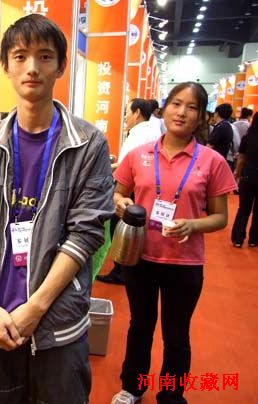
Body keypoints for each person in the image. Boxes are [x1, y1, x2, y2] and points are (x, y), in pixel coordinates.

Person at [0, 14, 114, 404]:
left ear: (61, 66)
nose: (32, 67)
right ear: (6, 66)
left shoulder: (89, 143)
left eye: (45, 56)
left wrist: (36, 307)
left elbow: (86, 234)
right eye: (20, 56)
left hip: (57, 322)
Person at [110, 82, 237, 404]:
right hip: (140, 257)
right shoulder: (139, 155)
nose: (182, 112)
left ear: (202, 116)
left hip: (185, 263)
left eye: (192, 107)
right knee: (140, 327)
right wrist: (121, 203)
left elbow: (220, 217)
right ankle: (133, 387)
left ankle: (171, 394)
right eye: (176, 104)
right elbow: (118, 193)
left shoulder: (211, 161)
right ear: (163, 110)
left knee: (176, 334)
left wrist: (192, 225)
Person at [97, 98, 161, 285]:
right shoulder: (153, 130)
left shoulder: (138, 134)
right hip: (142, 187)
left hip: (130, 189)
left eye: (126, 112)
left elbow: (124, 166)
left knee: (119, 224)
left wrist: (102, 166)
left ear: (137, 113)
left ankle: (121, 269)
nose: (125, 117)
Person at [231, 111, 258, 247]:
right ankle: (254, 240)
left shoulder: (248, 137)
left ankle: (238, 239)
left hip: (248, 176)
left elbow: (241, 158)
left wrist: (237, 173)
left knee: (243, 209)